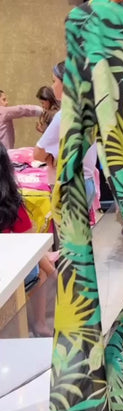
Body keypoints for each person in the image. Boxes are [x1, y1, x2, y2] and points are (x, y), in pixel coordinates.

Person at [0, 142, 55, 337]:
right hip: (9, 272)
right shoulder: (10, 203)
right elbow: (30, 244)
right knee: (39, 268)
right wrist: (52, 271)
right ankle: (39, 323)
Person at [33, 62, 97, 209]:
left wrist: (51, 157)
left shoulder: (64, 116)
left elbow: (37, 154)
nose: (52, 86)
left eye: (54, 81)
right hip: (86, 182)